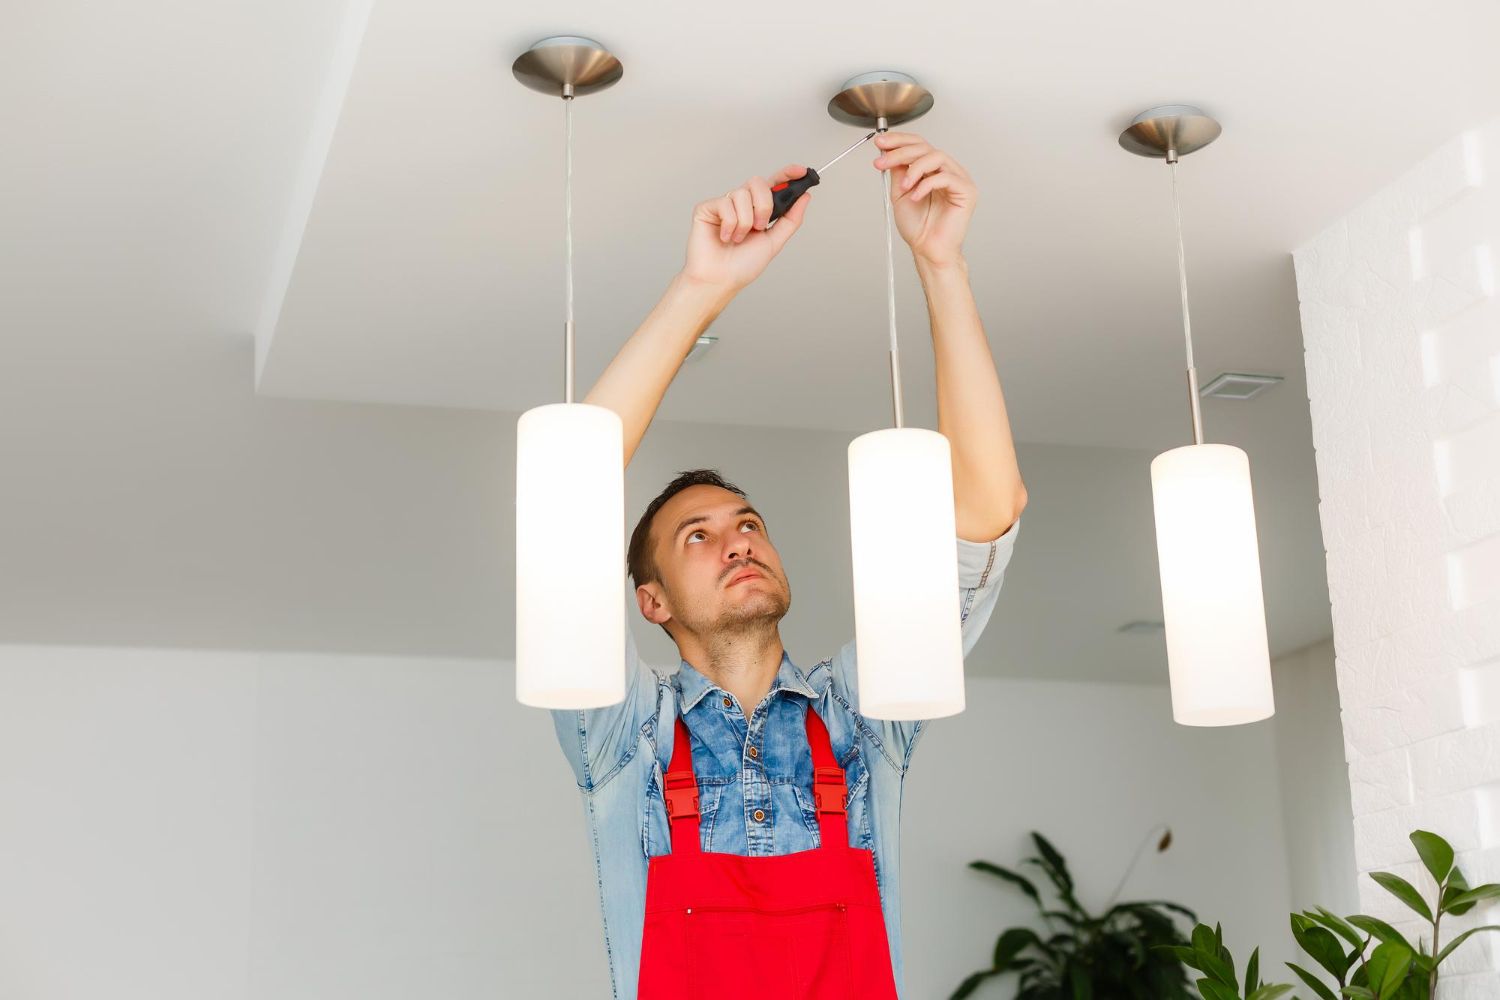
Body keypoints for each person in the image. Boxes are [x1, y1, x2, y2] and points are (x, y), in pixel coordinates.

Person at [549, 131, 1026, 999]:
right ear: (649, 603)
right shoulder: (628, 735)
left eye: (748, 522)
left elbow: (985, 515)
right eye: (696, 535)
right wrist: (705, 287)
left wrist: (942, 266)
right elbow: (564, 492)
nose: (737, 538)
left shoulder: (866, 711)